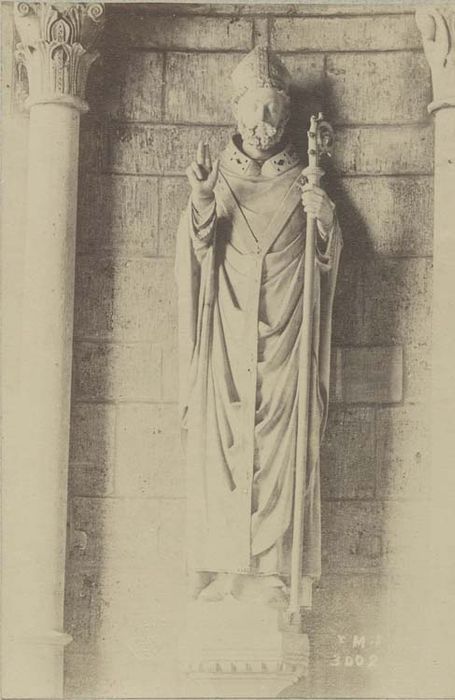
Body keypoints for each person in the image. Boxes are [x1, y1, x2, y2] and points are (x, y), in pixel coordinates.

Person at [175, 47, 343, 608]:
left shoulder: (306, 181)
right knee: (221, 450)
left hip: (287, 346)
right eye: (254, 108)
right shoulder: (215, 180)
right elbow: (197, 254)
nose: (263, 121)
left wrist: (325, 222)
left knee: (280, 449)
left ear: (287, 113)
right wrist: (202, 200)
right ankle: (226, 569)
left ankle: (273, 570)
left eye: (273, 109)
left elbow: (324, 261)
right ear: (236, 110)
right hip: (225, 342)